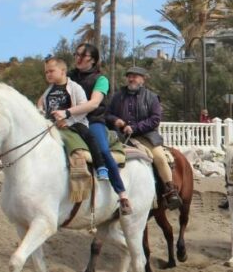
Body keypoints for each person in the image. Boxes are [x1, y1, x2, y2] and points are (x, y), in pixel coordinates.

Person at [40, 57, 132, 215]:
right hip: (55, 126)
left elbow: (85, 107)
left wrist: (68, 121)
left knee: (92, 141)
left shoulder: (76, 86)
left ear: (62, 71)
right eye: (46, 72)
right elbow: (41, 105)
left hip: (77, 123)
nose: (48, 74)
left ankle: (111, 178)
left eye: (51, 71)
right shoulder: (49, 90)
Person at [105, 66, 182, 210]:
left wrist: (135, 127)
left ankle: (170, 190)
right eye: (130, 76)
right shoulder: (118, 96)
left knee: (159, 157)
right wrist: (116, 120)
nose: (132, 79)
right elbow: (107, 113)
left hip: (146, 136)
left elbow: (155, 119)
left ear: (143, 79)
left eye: (135, 76)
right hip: (121, 136)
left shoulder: (151, 97)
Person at [67, 43, 130, 214]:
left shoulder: (101, 80)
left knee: (102, 150)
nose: (78, 58)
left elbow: (94, 103)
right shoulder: (68, 76)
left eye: (82, 56)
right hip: (69, 121)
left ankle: (122, 194)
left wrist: (68, 112)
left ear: (93, 60)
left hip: (92, 120)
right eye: (76, 54)